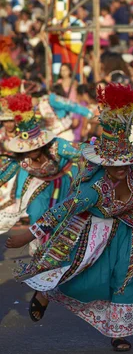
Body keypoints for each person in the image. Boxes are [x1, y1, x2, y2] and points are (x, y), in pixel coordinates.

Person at [6, 83, 133, 352]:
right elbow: (63, 209)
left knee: (131, 277)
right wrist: (29, 233)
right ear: (104, 163)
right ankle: (46, 292)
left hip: (128, 232)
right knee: (84, 279)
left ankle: (119, 332)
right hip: (95, 235)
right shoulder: (93, 189)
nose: (121, 170)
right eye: (115, 166)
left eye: (125, 164)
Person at [0, 93, 80, 254]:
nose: (32, 150)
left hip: (66, 181)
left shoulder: (58, 146)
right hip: (42, 186)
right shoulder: (20, 157)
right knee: (37, 213)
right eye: (29, 147)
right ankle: (43, 254)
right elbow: (3, 175)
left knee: (64, 222)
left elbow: (84, 153)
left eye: (36, 146)